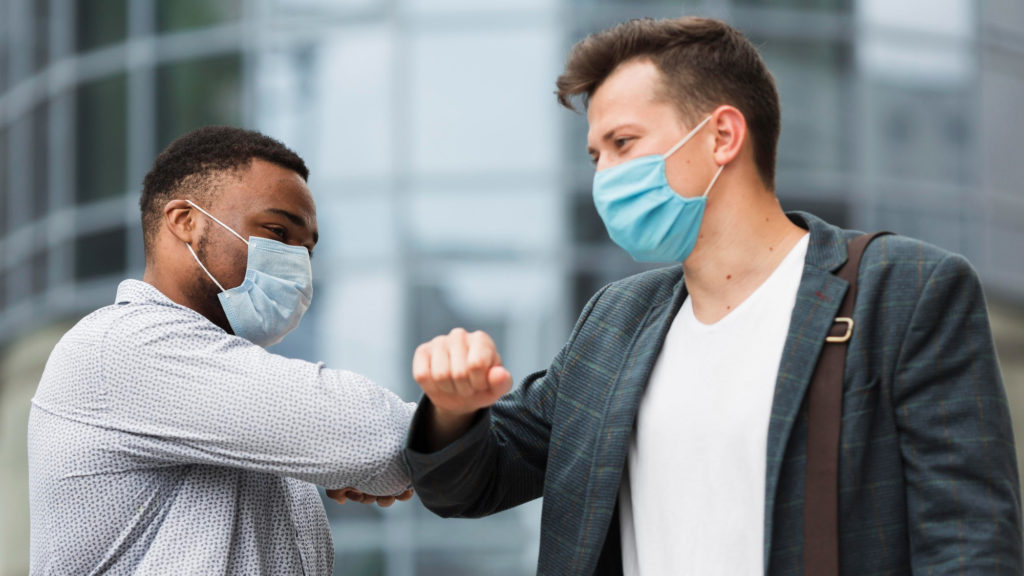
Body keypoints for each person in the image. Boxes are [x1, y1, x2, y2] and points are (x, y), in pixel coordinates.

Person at [404, 17, 1022, 575]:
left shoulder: (905, 290)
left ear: (723, 135)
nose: (603, 177)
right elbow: (473, 482)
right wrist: (453, 405)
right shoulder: (613, 322)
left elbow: (970, 546)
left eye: (623, 144)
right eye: (595, 156)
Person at [28, 126, 414, 575]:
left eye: (306, 250)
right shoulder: (119, 347)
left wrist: (373, 460)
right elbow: (376, 436)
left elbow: (376, 452)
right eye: (277, 231)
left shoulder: (234, 393)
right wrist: (398, 450)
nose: (298, 265)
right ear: (185, 221)